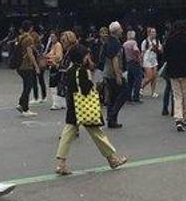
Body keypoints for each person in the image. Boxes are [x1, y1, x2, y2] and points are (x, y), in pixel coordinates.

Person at [55, 41, 128, 176]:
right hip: (85, 108)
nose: (89, 57)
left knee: (67, 134)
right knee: (97, 134)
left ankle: (61, 163)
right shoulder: (83, 71)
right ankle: (113, 159)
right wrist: (92, 80)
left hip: (73, 106)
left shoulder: (70, 70)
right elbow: (86, 89)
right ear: (82, 57)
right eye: (87, 55)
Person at [163, 21, 186, 132]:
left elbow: (165, 56)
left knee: (177, 96)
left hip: (173, 72)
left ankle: (178, 118)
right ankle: (185, 118)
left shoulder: (169, 40)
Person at [102, 21, 128, 129]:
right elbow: (115, 59)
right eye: (121, 29)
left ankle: (112, 120)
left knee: (112, 97)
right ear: (117, 31)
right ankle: (112, 115)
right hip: (113, 73)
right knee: (124, 92)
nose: (122, 31)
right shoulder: (116, 43)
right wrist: (118, 75)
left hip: (107, 72)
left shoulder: (107, 42)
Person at [16, 20, 40, 117]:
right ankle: (24, 107)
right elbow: (30, 53)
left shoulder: (20, 37)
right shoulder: (29, 38)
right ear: (31, 27)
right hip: (26, 65)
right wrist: (36, 66)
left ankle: (22, 105)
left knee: (26, 85)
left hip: (19, 65)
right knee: (28, 86)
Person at [44, 31, 65, 110]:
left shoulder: (58, 45)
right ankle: (61, 103)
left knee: (53, 86)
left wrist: (49, 57)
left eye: (53, 37)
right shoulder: (53, 45)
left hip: (55, 66)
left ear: (57, 37)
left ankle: (56, 103)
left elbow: (59, 56)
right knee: (58, 85)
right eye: (51, 37)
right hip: (53, 66)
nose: (52, 39)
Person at [140, 27, 161, 98]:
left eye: (154, 32)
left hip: (154, 60)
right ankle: (141, 87)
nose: (153, 34)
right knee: (149, 77)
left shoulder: (157, 41)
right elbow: (142, 52)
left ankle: (153, 92)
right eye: (152, 32)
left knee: (154, 76)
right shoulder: (145, 42)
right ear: (149, 33)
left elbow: (161, 50)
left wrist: (157, 48)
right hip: (147, 60)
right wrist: (141, 61)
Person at [123, 31, 144, 103]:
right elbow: (136, 50)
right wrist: (138, 57)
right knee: (138, 79)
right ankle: (136, 97)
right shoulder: (134, 42)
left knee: (130, 81)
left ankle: (129, 97)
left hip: (128, 62)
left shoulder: (125, 44)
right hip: (135, 62)